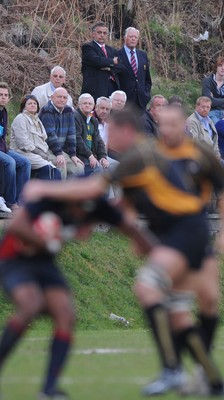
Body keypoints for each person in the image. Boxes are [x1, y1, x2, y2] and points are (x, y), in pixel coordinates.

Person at [106, 107, 224, 396]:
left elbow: (221, 191)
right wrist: (133, 229)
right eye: (162, 124)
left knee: (208, 301)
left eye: (173, 124)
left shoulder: (200, 153)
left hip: (194, 233)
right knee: (178, 308)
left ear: (183, 125)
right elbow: (134, 193)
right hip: (169, 237)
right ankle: (200, 374)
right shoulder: (151, 156)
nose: (167, 130)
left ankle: (197, 372)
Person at [1, 179, 154, 399]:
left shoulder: (97, 204)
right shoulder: (50, 200)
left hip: (45, 263)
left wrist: (157, 254)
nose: (80, 213)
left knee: (66, 314)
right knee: (30, 304)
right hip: (14, 259)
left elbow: (130, 229)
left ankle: (49, 390)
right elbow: (15, 225)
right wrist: (47, 242)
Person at [10, 95, 61, 180]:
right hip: (23, 152)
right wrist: (38, 152)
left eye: (35, 103)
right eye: (29, 103)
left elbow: (43, 139)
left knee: (57, 171)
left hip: (39, 154)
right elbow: (23, 142)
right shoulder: (20, 118)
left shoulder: (37, 120)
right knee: (49, 170)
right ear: (24, 106)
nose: (33, 105)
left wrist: (45, 152)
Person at [39, 87, 84, 179]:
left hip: (61, 151)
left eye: (64, 98)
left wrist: (73, 155)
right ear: (52, 97)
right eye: (59, 97)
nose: (62, 100)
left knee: (78, 168)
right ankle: (59, 192)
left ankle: (70, 193)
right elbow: (50, 135)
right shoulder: (47, 110)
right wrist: (59, 154)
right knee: (61, 165)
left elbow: (71, 134)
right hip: (46, 149)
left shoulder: (68, 110)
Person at [0, 82, 31, 210]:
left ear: (9, 98)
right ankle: (10, 201)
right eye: (0, 94)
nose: (3, 97)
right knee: (10, 162)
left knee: (25, 162)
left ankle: (21, 201)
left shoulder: (4, 112)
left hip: (3, 148)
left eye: (6, 95)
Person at [81, 21, 120, 100]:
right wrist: (112, 62)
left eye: (105, 33)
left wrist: (107, 66)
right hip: (95, 89)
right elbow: (97, 61)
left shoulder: (112, 50)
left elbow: (120, 65)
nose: (102, 35)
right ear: (93, 34)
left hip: (111, 87)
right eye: (99, 32)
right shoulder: (88, 47)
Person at [117, 27, 152, 113]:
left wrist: (146, 93)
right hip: (125, 101)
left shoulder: (143, 55)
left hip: (141, 101)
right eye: (131, 36)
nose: (133, 39)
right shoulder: (117, 54)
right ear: (125, 38)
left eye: (135, 37)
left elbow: (147, 78)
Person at [74, 94, 109, 176]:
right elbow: (77, 139)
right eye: (85, 103)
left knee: (106, 166)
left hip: (90, 155)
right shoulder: (75, 116)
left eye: (90, 104)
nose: (87, 105)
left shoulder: (93, 120)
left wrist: (103, 156)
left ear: (93, 106)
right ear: (79, 105)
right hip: (79, 155)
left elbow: (99, 140)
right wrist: (90, 156)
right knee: (98, 169)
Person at [202, 56, 224, 124]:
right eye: (220, 65)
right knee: (218, 127)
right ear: (216, 67)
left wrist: (214, 99)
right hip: (212, 112)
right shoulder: (208, 81)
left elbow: (213, 101)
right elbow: (208, 101)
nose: (223, 68)